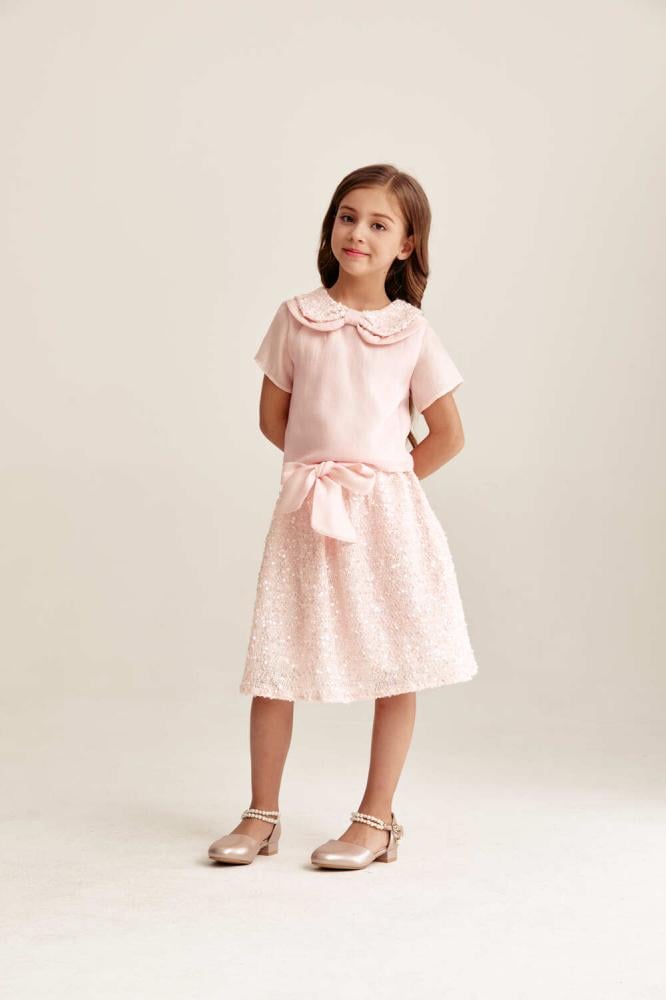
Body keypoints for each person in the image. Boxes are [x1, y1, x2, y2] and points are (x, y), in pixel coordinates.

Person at [208, 163, 479, 871]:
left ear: (406, 245)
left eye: (378, 224)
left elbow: (448, 434)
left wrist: (383, 480)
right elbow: (275, 419)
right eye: (348, 217)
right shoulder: (295, 317)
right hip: (306, 510)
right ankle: (262, 813)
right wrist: (323, 471)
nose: (358, 233)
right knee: (277, 660)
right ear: (332, 226)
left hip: (385, 520)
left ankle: (376, 818)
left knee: (395, 662)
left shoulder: (411, 331)